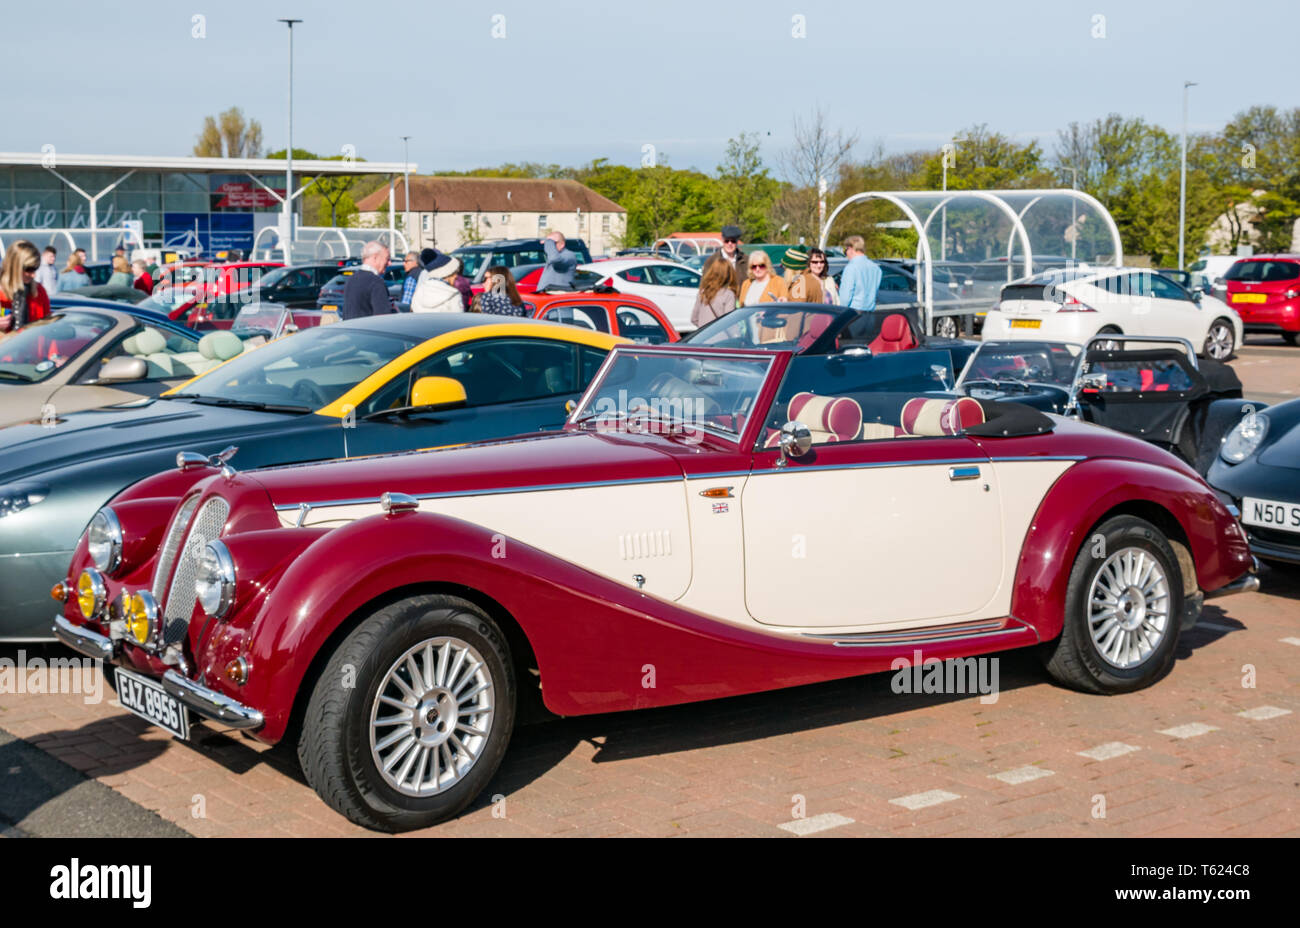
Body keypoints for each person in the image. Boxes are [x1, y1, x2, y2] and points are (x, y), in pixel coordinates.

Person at [0, 240, 52, 333]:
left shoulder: (38, 291)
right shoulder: (1, 293)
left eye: (35, 269)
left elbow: (48, 329)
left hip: (34, 346)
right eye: (29, 269)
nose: (33, 275)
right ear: (15, 267)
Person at [341, 241, 396, 320]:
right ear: (375, 257)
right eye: (387, 259)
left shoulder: (351, 280)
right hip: (368, 330)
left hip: (351, 330)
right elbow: (383, 318)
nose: (389, 263)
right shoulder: (376, 282)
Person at [410, 248, 463, 313]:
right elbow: (458, 320)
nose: (456, 276)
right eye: (454, 273)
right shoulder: (454, 295)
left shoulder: (420, 292)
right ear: (448, 273)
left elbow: (413, 312)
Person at [838, 235, 882, 312]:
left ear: (850, 248)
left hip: (853, 314)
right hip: (871, 313)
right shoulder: (876, 268)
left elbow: (845, 298)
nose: (846, 254)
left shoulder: (851, 268)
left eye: (846, 250)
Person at [691, 257, 737, 328]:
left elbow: (694, 318)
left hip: (703, 335)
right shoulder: (728, 294)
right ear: (729, 274)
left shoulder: (703, 292)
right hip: (721, 336)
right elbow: (729, 323)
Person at [704, 224, 748, 295]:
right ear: (722, 240)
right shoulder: (711, 261)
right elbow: (705, 285)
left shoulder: (746, 260)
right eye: (727, 241)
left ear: (737, 242)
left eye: (733, 241)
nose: (730, 244)